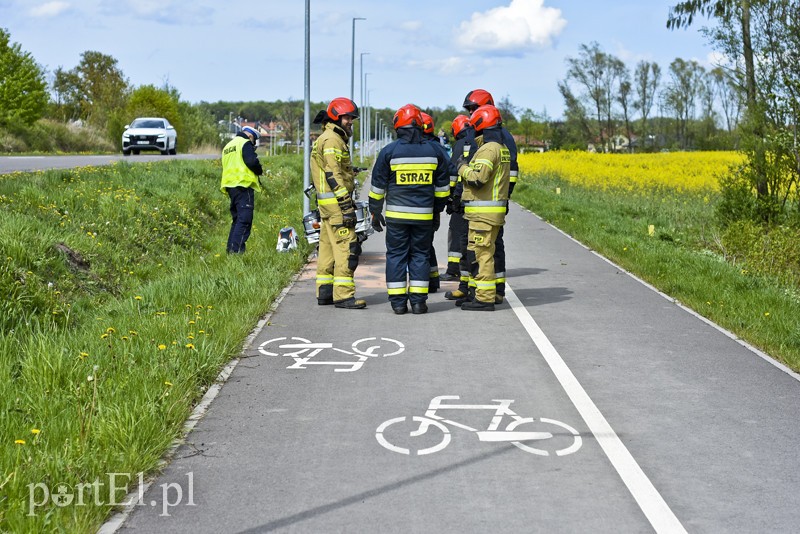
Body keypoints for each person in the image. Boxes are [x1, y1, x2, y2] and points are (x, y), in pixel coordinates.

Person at [369, 104, 450, 315]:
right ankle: (418, 303)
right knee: (420, 256)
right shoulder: (435, 151)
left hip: (396, 218)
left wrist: (375, 213)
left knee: (396, 256)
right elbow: (442, 188)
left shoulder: (389, 152)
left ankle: (397, 304)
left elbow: (377, 187)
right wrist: (437, 211)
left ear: (398, 126)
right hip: (424, 216)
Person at [462, 89, 518, 303]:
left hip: (485, 209)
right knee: (484, 251)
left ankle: (488, 295)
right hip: (489, 207)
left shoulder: (492, 147)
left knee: (484, 253)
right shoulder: (500, 145)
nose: (470, 116)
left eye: (473, 111)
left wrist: (462, 169)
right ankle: (484, 292)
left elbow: (480, 177)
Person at [310, 97, 367, 309]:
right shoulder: (333, 140)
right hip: (336, 206)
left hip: (327, 206)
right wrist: (345, 205)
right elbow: (333, 174)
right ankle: (343, 295)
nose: (350, 121)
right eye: (347, 117)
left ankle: (325, 292)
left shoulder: (327, 137)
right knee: (347, 247)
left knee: (327, 249)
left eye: (352, 118)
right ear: (336, 116)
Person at [419, 111, 458, 293]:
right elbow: (452, 172)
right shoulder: (437, 148)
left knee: (420, 245)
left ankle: (427, 281)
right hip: (433, 205)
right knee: (427, 242)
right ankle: (432, 280)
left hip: (425, 204)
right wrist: (444, 199)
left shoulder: (423, 147)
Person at [221, 125, 264, 254]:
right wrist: (259, 170)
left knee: (237, 220)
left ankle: (231, 250)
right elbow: (251, 162)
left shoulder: (228, 146)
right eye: (254, 142)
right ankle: (236, 252)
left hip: (230, 186)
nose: (253, 145)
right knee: (244, 220)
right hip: (243, 185)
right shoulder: (244, 143)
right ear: (250, 136)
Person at [443, 114, 473, 293]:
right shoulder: (476, 141)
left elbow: (454, 173)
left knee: (456, 231)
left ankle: (453, 270)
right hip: (474, 197)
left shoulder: (460, 144)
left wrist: (451, 197)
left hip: (460, 197)